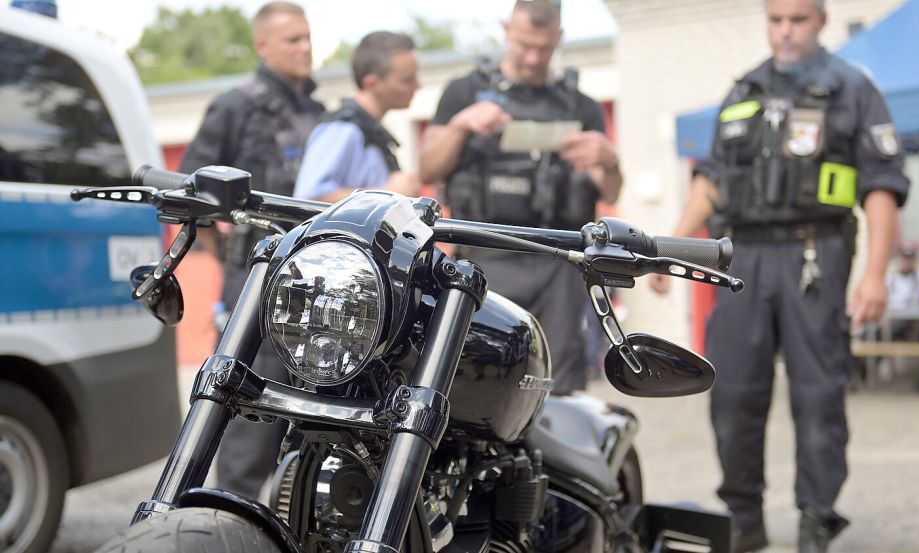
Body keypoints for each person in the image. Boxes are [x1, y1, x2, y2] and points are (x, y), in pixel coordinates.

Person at [649, 1, 909, 551]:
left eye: (797, 19)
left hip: (814, 253)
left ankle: (817, 517)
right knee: (734, 392)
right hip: (741, 259)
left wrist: (875, 276)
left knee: (818, 395)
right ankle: (744, 517)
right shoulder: (744, 91)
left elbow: (882, 185)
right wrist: (670, 251)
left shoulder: (851, 89)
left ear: (820, 20)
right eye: (776, 20)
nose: (785, 31)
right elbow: (712, 181)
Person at [419, 0, 622, 395]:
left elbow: (610, 190)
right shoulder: (464, 92)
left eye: (543, 48)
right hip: (485, 258)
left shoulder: (580, 106)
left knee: (558, 385)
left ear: (558, 38)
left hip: (558, 263)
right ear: (506, 29)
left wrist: (609, 161)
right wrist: (461, 126)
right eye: (524, 45)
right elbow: (428, 168)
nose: (532, 58)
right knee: (476, 382)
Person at [178, 1, 324, 500]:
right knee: (252, 415)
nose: (306, 48)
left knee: (314, 421)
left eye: (308, 37)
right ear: (262, 45)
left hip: (321, 281)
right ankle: (228, 526)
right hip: (258, 277)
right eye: (293, 40)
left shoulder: (319, 114)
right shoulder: (236, 104)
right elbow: (192, 187)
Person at [294, 31, 422, 202]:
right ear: (372, 84)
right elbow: (308, 197)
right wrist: (387, 192)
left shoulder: (365, 128)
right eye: (407, 80)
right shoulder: (342, 129)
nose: (418, 86)